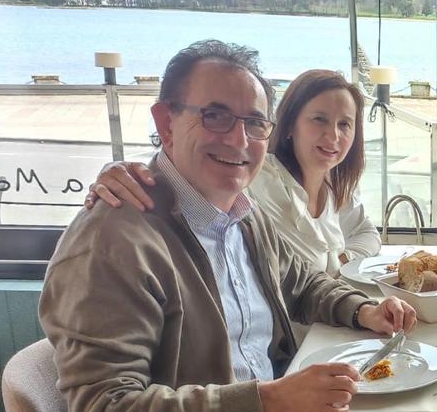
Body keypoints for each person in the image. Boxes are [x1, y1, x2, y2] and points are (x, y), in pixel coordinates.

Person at [39, 40, 416, 412]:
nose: (239, 140)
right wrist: (267, 401)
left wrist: (365, 311)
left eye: (254, 123)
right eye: (215, 116)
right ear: (166, 123)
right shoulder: (113, 243)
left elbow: (303, 283)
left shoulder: (243, 214)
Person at [85, 69, 380, 276]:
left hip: (318, 332)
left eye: (345, 124)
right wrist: (120, 173)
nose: (333, 136)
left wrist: (345, 261)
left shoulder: (335, 190)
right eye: (319, 120)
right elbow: (195, 179)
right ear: (289, 125)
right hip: (291, 347)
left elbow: (366, 235)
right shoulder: (258, 181)